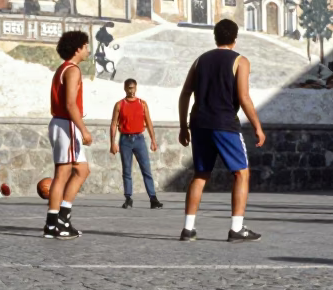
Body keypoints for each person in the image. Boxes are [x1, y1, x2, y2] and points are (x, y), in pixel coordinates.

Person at [177, 18, 265, 242]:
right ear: (235, 39)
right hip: (224, 123)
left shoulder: (200, 61)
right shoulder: (240, 61)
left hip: (199, 123)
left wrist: (183, 126)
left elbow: (185, 93)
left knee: (200, 175)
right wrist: (257, 126)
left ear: (215, 36)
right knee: (241, 173)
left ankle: (188, 229)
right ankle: (236, 229)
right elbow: (244, 97)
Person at [45, 31, 92, 239]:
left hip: (59, 123)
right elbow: (70, 104)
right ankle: (60, 223)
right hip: (67, 124)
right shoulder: (73, 70)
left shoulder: (61, 70)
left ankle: (54, 222)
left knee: (80, 171)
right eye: (86, 46)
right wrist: (83, 129)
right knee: (65, 174)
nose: (88, 49)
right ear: (78, 49)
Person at [110, 79, 163, 210]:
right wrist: (113, 143)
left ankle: (153, 198)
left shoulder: (142, 104)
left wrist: (153, 140)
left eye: (133, 88)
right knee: (126, 170)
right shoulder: (119, 105)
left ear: (136, 88)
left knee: (146, 169)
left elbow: (149, 122)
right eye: (129, 88)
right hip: (125, 140)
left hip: (139, 139)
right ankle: (128, 198)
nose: (131, 91)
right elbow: (113, 124)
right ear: (124, 88)